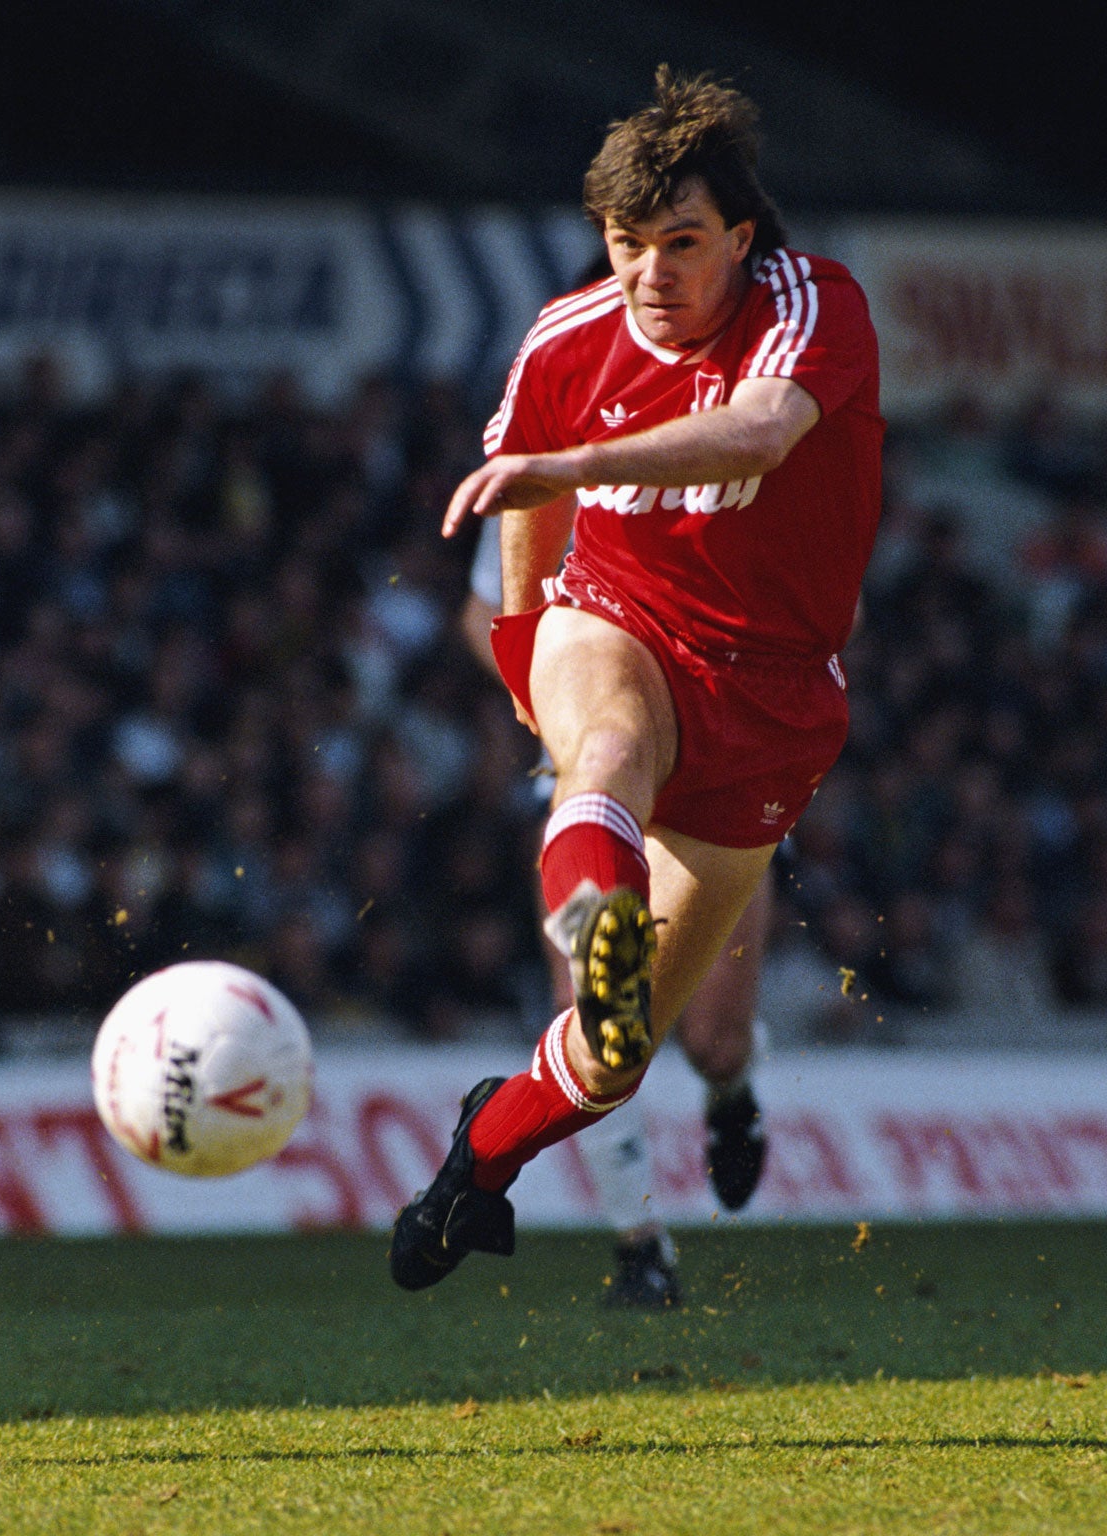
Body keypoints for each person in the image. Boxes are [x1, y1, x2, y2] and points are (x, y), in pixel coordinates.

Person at [391, 66, 882, 1290]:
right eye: (625, 244)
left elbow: (761, 431)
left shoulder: (810, 306)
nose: (651, 274)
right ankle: (591, 921)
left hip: (770, 704)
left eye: (681, 243)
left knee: (626, 1056)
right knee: (599, 750)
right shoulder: (566, 336)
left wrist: (579, 458)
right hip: (617, 621)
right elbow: (527, 511)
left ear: (740, 239)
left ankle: (479, 1159)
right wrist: (520, 648)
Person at [461, 505, 772, 1308]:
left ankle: (731, 1091)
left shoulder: (734, 451)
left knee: (712, 1038)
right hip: (589, 787)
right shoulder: (549, 468)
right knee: (591, 1013)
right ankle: (641, 1250)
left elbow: (833, 602)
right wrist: (543, 678)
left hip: (722, 785)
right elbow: (483, 608)